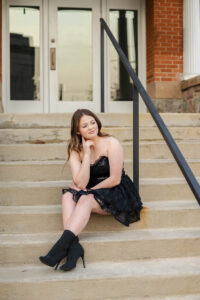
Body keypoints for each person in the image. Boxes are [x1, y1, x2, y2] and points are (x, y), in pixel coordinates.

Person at [39, 109, 143, 271]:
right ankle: (74, 248)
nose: (91, 127)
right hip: (91, 190)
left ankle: (59, 248)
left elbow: (115, 179)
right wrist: (86, 154)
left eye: (92, 122)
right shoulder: (76, 150)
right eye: (85, 125)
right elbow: (81, 183)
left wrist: (88, 191)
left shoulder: (111, 143)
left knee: (84, 198)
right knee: (67, 196)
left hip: (116, 190)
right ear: (77, 131)